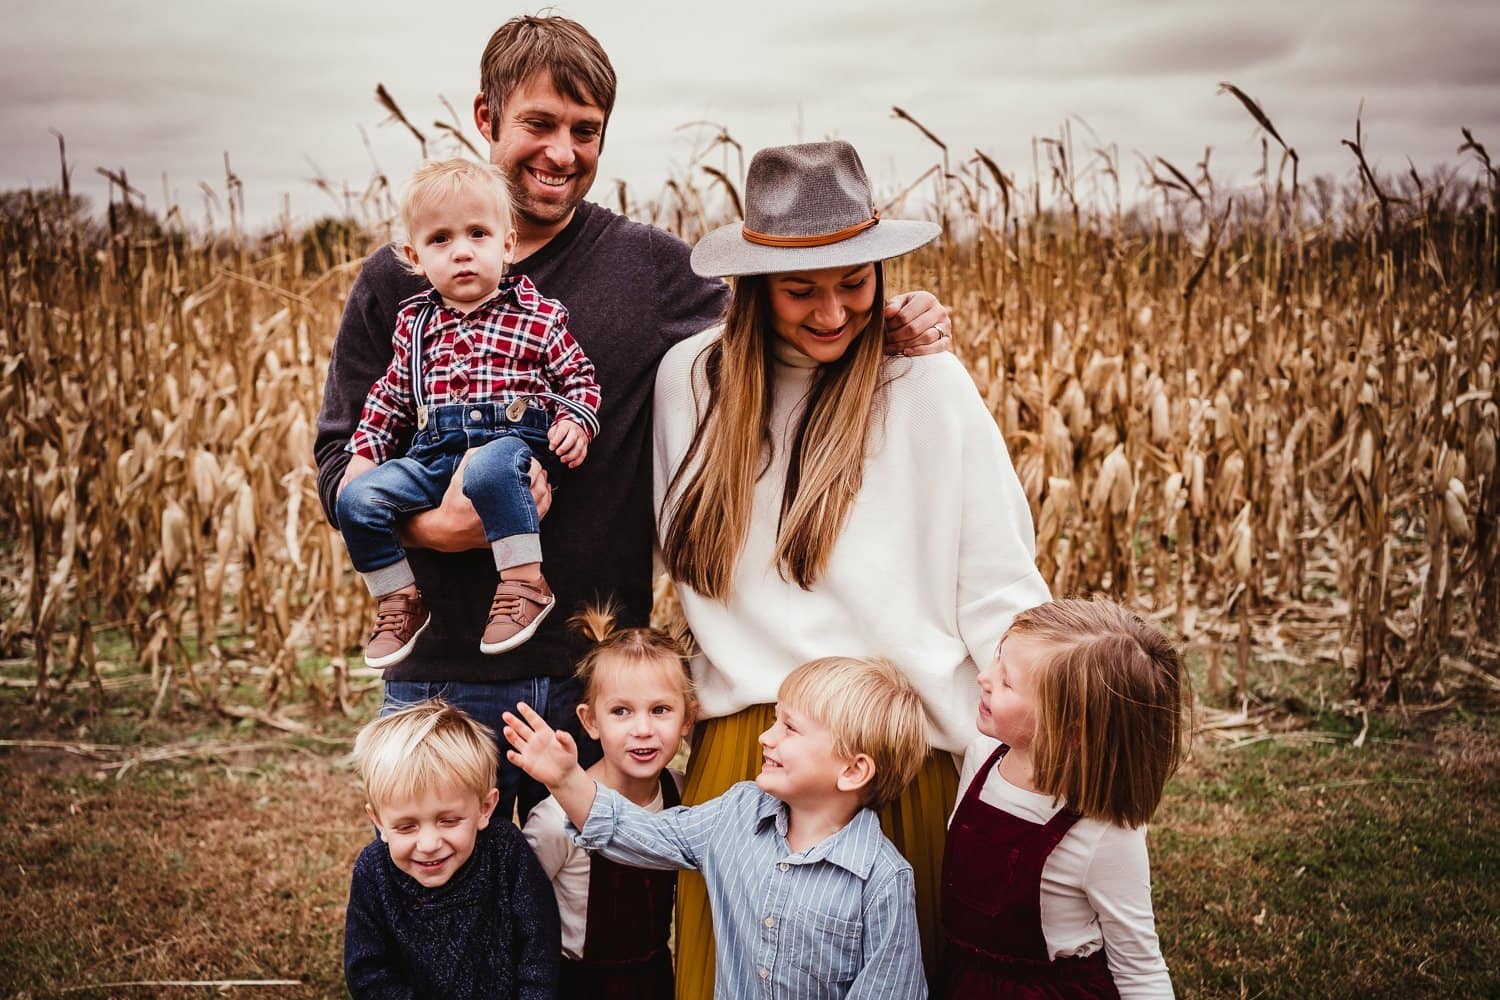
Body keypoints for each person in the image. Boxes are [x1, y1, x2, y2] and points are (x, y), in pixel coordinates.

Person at [312, 13, 950, 825]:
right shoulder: (397, 281)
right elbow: (340, 456)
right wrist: (434, 530)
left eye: (586, 131)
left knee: (597, 916)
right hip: (441, 667)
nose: (562, 152)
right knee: (439, 892)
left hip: (597, 679)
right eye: (538, 124)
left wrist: (879, 324)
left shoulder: (647, 268)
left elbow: (777, 339)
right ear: (486, 119)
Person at [654, 139, 1052, 991]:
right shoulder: (689, 382)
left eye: (855, 281)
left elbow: (998, 581)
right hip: (751, 754)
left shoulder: (925, 384)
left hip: (893, 750)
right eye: (801, 288)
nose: (833, 311)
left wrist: (1039, 730)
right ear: (753, 285)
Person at [504, 656, 931, 1000]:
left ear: (853, 770)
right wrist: (566, 780)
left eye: (789, 727)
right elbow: (643, 834)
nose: (765, 737)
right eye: (775, 720)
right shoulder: (738, 814)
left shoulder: (882, 880)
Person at [337, 158, 601, 668]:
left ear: (506, 245)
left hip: (510, 446)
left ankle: (525, 583)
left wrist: (574, 420)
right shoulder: (414, 326)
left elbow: (579, 379)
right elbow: (390, 397)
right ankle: (399, 598)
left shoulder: (538, 315)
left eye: (478, 234)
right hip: (433, 454)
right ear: (416, 256)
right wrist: (366, 454)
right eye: (440, 240)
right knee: (357, 500)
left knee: (488, 467)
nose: (461, 251)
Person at [943, 599, 1184, 998]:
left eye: (1007, 682)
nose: (984, 678)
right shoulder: (980, 759)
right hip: (966, 979)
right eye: (997, 661)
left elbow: (1140, 968)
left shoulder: (1104, 834)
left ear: (1069, 729)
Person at [522, 605, 695, 998]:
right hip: (578, 985)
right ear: (590, 721)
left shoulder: (683, 796)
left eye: (661, 710)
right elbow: (524, 914)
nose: (643, 730)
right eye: (621, 711)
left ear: (688, 719)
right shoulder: (555, 820)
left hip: (653, 979)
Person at [343, 701, 560, 998]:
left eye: (448, 821)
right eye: (407, 827)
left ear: (486, 808)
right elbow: (368, 973)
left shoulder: (506, 851)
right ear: (378, 821)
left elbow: (539, 948)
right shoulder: (373, 871)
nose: (430, 844)